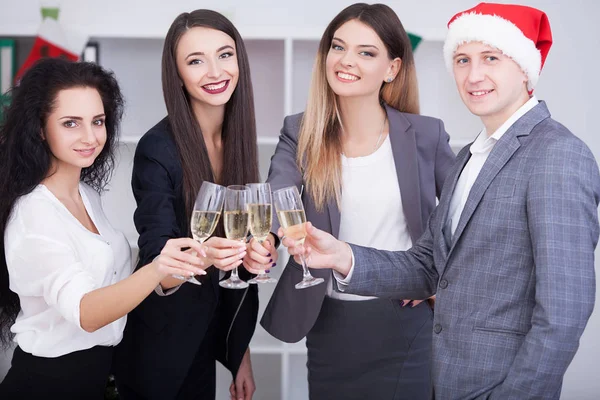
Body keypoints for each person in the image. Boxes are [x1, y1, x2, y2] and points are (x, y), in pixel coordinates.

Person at [278, 3, 600, 399]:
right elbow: (428, 265)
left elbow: (564, 313)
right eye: (462, 59)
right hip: (447, 380)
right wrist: (341, 254)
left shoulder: (557, 154)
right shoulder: (470, 157)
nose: (473, 74)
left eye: (491, 58)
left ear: (524, 67)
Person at [244, 3, 454, 399]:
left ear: (392, 68)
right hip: (329, 322)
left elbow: (467, 214)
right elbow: (278, 192)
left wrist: (442, 281)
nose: (346, 60)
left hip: (405, 323)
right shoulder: (299, 131)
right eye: (338, 47)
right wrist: (265, 241)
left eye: (366, 52)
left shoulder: (425, 135)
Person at [0, 58, 206, 399]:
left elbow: (116, 287)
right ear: (40, 128)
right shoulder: (34, 213)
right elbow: (87, 312)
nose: (90, 137)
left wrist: (200, 256)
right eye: (70, 123)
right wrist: (157, 268)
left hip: (95, 379)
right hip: (46, 386)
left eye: (98, 121)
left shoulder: (86, 195)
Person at [113, 9, 277, 400]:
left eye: (224, 54)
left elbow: (237, 267)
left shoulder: (237, 138)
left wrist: (241, 354)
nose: (215, 71)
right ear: (178, 74)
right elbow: (158, 268)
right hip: (159, 349)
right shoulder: (158, 148)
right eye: (195, 61)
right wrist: (205, 255)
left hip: (207, 336)